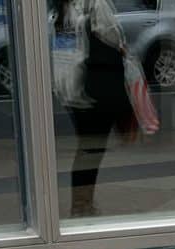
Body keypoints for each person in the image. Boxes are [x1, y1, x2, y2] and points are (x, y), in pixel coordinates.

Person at [52, 0, 136, 217]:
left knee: (87, 149)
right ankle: (81, 206)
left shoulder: (62, 7)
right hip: (92, 88)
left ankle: (82, 203)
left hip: (70, 87)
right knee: (90, 151)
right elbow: (114, 37)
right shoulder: (94, 4)